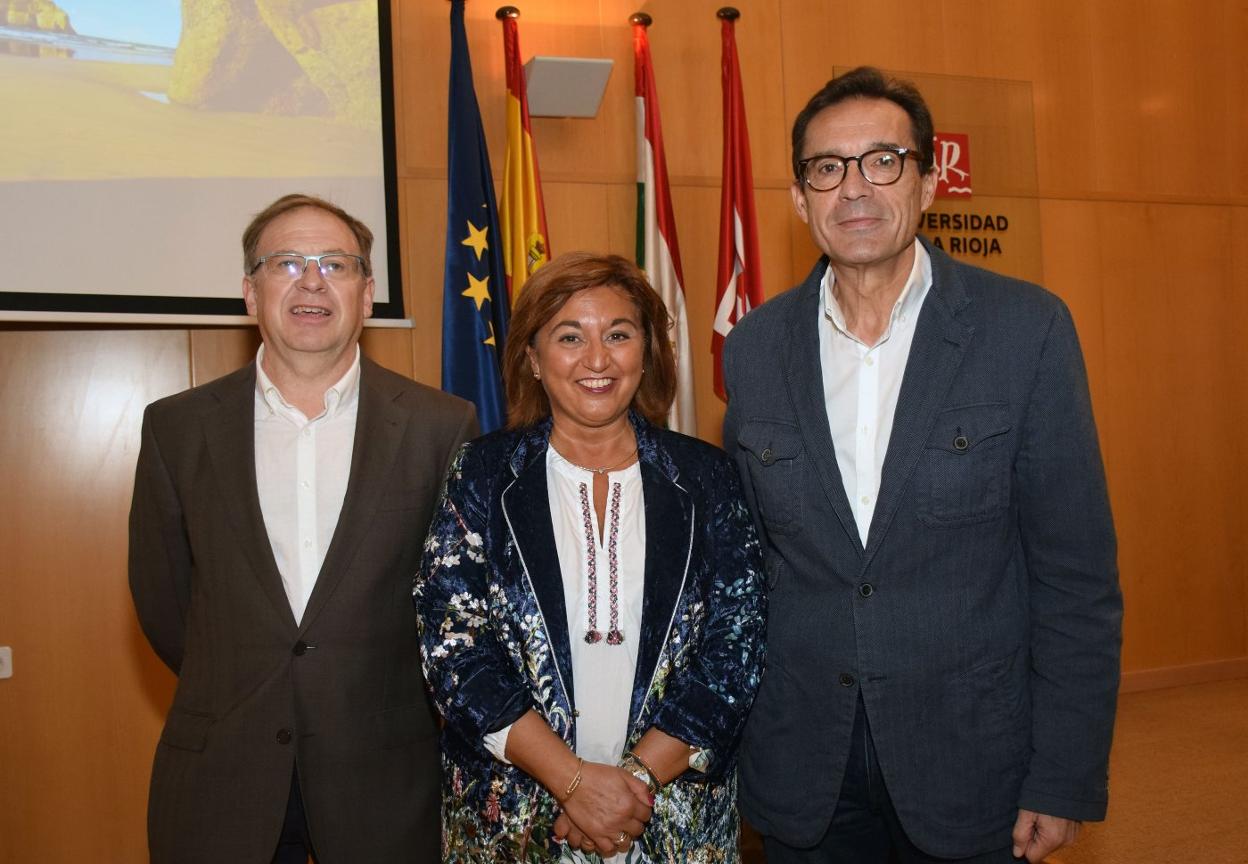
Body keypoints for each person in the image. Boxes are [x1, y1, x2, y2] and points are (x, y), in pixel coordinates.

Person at [722, 67, 1122, 864]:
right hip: (807, 768)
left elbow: (1075, 576)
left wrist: (1065, 774)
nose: (854, 188)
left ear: (931, 182)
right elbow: (752, 568)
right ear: (799, 198)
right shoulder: (755, 348)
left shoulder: (1026, 330)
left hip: (973, 762)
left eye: (883, 160)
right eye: (827, 168)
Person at [129, 193, 477, 863]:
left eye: (335, 264)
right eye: (286, 263)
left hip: (385, 783)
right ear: (250, 294)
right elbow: (165, 604)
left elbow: (454, 608)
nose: (312, 281)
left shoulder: (441, 426)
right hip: (221, 779)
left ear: (366, 294)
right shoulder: (177, 428)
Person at [414, 252, 766, 863]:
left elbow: (736, 645)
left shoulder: (706, 476)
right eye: (570, 337)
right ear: (533, 357)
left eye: (619, 335)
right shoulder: (482, 474)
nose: (597, 360)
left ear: (647, 352)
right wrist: (573, 784)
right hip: (518, 819)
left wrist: (632, 786)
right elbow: (455, 646)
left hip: (671, 816)